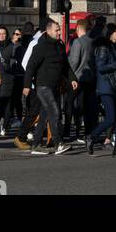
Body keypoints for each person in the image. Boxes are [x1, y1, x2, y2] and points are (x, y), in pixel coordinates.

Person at [23, 17, 76, 156]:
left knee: (44, 116)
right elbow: (30, 66)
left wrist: (72, 79)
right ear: (49, 31)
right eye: (57, 30)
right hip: (43, 86)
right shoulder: (40, 47)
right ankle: (58, 143)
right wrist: (27, 85)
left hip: (55, 86)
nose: (59, 32)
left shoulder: (59, 45)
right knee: (54, 112)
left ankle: (36, 145)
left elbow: (65, 65)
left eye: (59, 30)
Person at [88, 25, 116, 156]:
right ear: (110, 34)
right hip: (106, 86)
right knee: (111, 118)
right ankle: (91, 136)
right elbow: (101, 67)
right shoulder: (103, 48)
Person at [67, 18, 97, 144]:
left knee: (71, 105)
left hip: (78, 78)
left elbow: (73, 61)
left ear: (79, 28)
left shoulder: (78, 42)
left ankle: (71, 131)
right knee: (87, 107)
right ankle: (88, 132)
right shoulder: (92, 42)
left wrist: (68, 76)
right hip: (90, 78)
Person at [0, 26, 15, 137]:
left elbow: (15, 60)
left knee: (8, 104)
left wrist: (11, 63)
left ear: (7, 35)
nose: (1, 36)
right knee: (1, 102)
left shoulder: (11, 46)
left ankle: (4, 126)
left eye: (3, 34)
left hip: (8, 78)